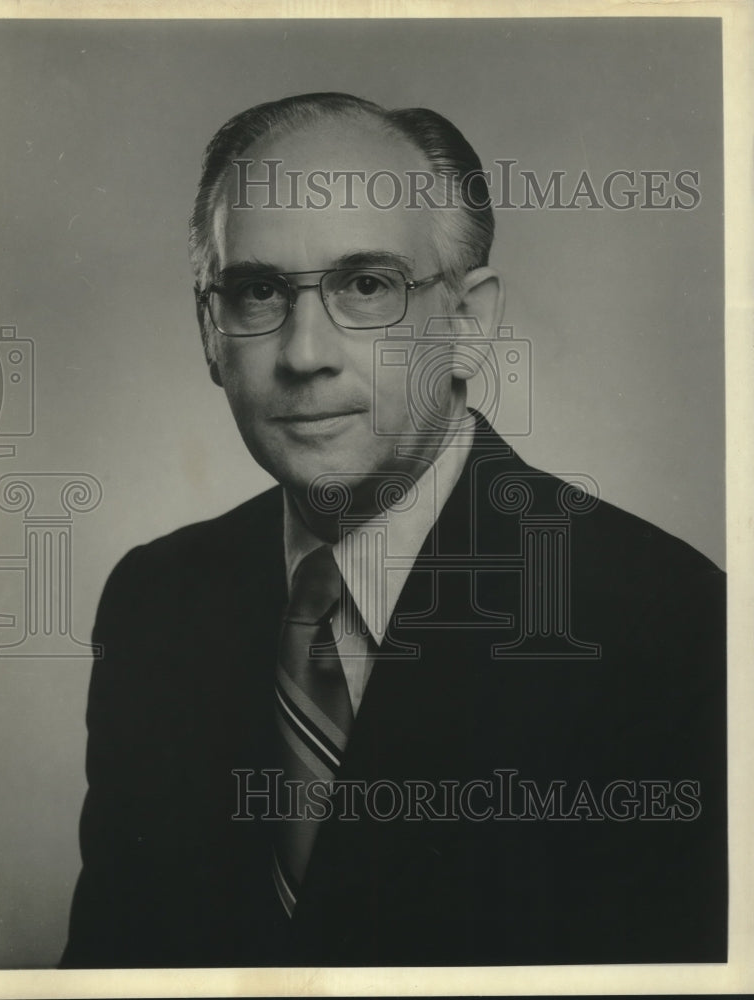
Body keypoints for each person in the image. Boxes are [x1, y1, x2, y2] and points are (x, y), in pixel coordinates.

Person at [61, 93, 726, 968]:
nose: (305, 353)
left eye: (366, 286)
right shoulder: (154, 603)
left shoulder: (672, 626)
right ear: (208, 330)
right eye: (258, 290)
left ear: (467, 322)